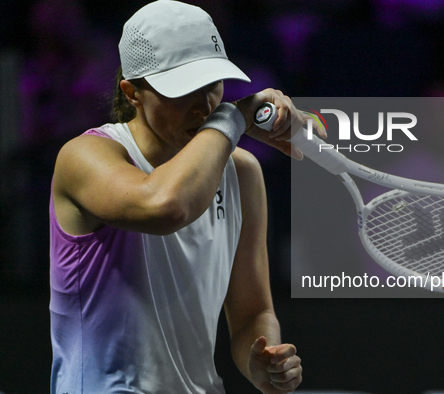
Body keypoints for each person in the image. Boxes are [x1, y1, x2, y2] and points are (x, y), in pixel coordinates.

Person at [49, 1, 317, 392]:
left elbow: (251, 313)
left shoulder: (242, 173)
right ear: (133, 92)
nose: (204, 105)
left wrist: (263, 360)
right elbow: (165, 206)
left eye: (212, 85)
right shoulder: (85, 157)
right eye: (183, 90)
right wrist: (234, 117)